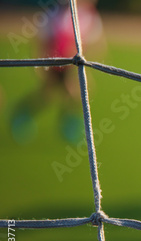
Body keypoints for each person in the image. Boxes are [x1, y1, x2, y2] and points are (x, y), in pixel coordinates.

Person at [10, 0, 104, 145]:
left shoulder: (89, 16)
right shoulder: (56, 13)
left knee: (76, 94)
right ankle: (23, 114)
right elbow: (43, 40)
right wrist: (40, 64)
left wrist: (86, 61)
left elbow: (96, 43)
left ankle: (68, 126)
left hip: (73, 65)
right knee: (50, 95)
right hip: (56, 62)